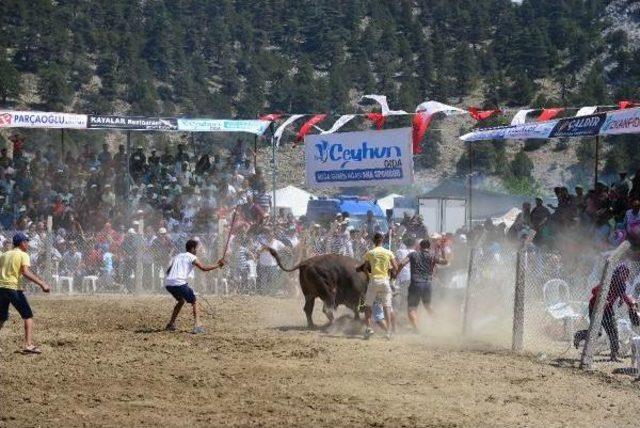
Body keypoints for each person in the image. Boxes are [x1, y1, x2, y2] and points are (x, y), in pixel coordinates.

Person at [0, 233, 51, 354]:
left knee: (1, 318)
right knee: (28, 315)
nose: (28, 244)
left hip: (1, 288)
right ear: (22, 243)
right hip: (13, 288)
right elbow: (25, 272)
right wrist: (42, 283)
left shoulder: (4, 255)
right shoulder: (23, 255)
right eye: (26, 242)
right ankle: (28, 345)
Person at [573, 264, 636, 362]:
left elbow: (623, 295)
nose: (625, 276)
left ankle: (613, 356)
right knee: (597, 332)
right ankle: (579, 335)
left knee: (613, 332)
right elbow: (593, 290)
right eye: (623, 273)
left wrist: (630, 304)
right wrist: (602, 298)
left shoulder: (622, 284)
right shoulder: (608, 280)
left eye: (626, 274)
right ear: (618, 273)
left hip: (608, 310)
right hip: (595, 308)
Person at [164, 239, 224, 334]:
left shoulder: (178, 256)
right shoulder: (192, 257)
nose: (198, 250)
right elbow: (203, 268)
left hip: (168, 284)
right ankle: (197, 326)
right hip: (179, 283)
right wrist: (218, 265)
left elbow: (168, 271)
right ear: (192, 249)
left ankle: (170, 324)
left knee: (181, 301)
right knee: (194, 301)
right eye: (197, 248)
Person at [397, 239, 447, 332]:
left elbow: (401, 263)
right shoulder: (432, 256)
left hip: (415, 284)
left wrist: (396, 273)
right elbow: (445, 262)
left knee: (412, 308)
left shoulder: (413, 254)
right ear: (429, 247)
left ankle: (416, 329)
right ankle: (439, 324)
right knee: (428, 306)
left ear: (420, 246)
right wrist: (442, 249)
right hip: (427, 284)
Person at [361, 232, 397, 339]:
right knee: (387, 307)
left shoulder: (370, 253)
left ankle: (368, 329)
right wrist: (390, 273)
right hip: (385, 281)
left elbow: (364, 268)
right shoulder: (389, 252)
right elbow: (395, 267)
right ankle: (388, 332)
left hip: (374, 280)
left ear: (374, 241)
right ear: (382, 240)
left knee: (368, 306)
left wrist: (369, 275)